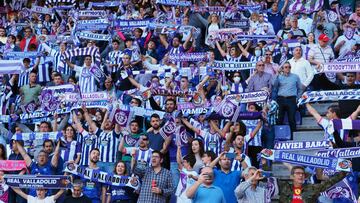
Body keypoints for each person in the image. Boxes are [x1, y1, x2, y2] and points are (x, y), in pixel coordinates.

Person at [273, 62, 302, 139]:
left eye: (289, 67)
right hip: (281, 99)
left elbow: (300, 89)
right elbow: (274, 85)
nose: (288, 69)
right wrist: (277, 74)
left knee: (292, 119)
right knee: (279, 119)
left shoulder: (295, 77)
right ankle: (279, 137)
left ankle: (294, 138)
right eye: (285, 67)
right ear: (282, 69)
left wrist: (297, 98)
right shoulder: (279, 77)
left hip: (291, 99)